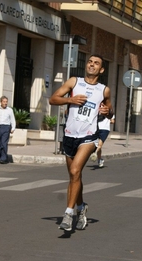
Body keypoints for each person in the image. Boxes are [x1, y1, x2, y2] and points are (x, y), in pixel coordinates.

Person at [49, 54, 113, 231]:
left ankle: (68, 214)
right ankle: (81, 207)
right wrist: (70, 99)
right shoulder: (74, 82)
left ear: (101, 70)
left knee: (76, 170)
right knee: (74, 176)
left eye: (96, 63)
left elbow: (110, 111)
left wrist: (107, 111)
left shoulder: (104, 90)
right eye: (90, 62)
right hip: (69, 136)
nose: (92, 65)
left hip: (89, 137)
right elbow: (53, 99)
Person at [0, 96, 16, 164]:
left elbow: (12, 119)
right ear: (1, 102)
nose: (5, 103)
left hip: (6, 127)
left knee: (4, 143)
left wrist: (13, 128)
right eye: (4, 102)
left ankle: (3, 158)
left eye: (6, 102)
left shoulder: (10, 110)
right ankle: (0, 156)